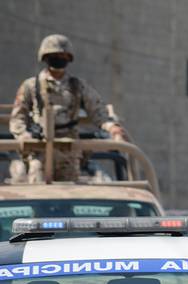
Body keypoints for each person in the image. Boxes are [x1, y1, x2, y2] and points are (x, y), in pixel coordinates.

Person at [9, 34, 127, 183]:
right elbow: (18, 117)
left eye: (63, 55)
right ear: (45, 57)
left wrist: (112, 127)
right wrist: (25, 137)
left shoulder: (77, 86)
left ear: (68, 58)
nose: (59, 58)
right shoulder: (31, 86)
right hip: (39, 147)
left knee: (69, 193)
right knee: (37, 188)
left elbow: (98, 111)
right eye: (55, 55)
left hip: (69, 150)